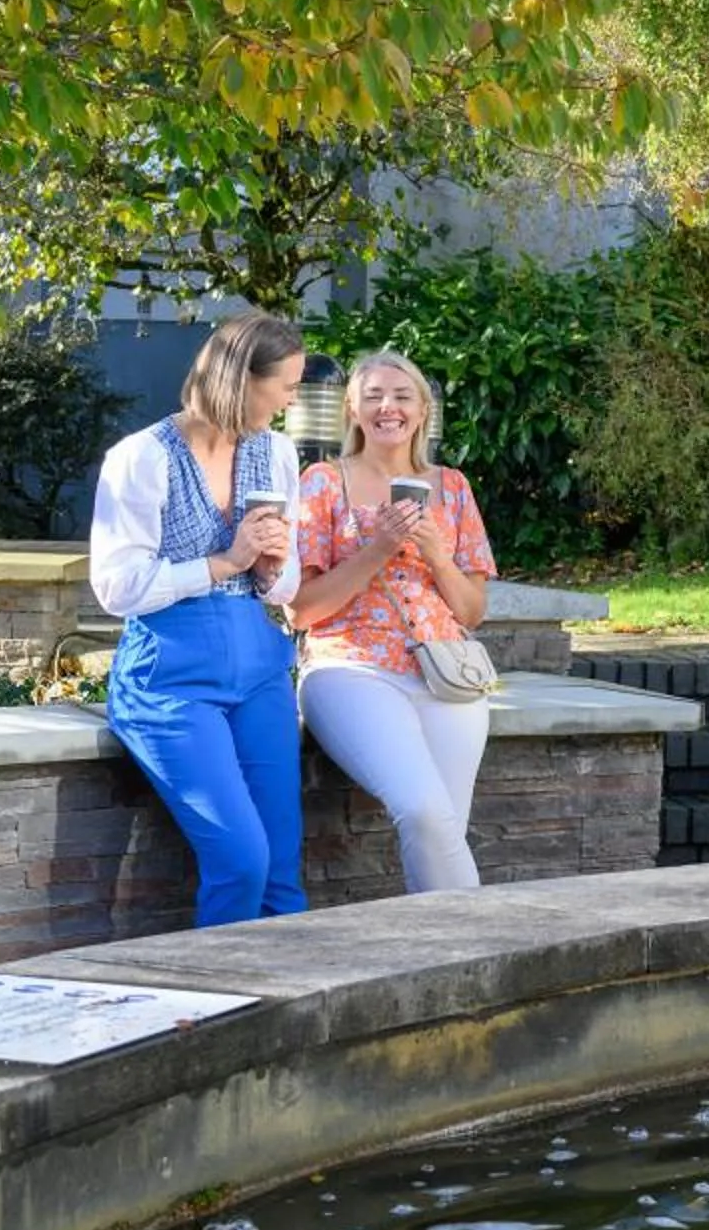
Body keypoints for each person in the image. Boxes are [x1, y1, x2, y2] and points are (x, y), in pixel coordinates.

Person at [91, 311, 312, 927]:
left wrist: (269, 570)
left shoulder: (278, 453)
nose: (292, 401)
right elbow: (116, 587)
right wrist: (223, 561)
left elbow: (285, 581)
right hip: (171, 682)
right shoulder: (142, 458)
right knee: (242, 861)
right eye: (286, 386)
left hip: (261, 672)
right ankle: (220, 1007)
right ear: (243, 379)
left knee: (280, 876)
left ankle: (289, 1015)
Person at [290, 349, 498, 893]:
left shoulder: (452, 487)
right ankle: (480, 950)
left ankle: (446, 958)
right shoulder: (322, 483)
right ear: (353, 411)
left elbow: (473, 612)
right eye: (374, 396)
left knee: (445, 828)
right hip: (351, 669)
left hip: (446, 671)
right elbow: (301, 609)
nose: (389, 407)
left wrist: (435, 553)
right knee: (425, 812)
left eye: (403, 396)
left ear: (423, 410)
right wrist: (378, 548)